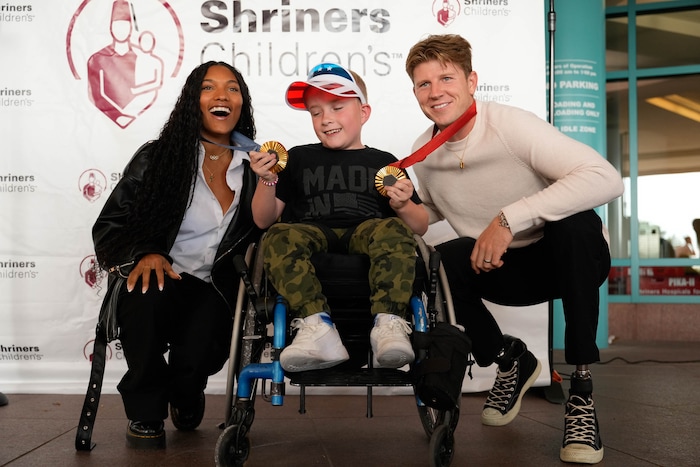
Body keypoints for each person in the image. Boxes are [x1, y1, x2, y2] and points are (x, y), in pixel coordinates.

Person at [404, 34, 624, 464]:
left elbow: (605, 178)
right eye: (423, 84)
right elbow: (431, 211)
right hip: (504, 270)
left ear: (472, 80)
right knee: (441, 259)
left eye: (446, 78)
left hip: (567, 258)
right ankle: (511, 359)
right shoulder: (422, 151)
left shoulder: (509, 124)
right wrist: (402, 204)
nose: (435, 92)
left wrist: (508, 219)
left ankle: (580, 392)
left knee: (575, 225)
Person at [92, 61, 261, 449]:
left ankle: (187, 392)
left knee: (200, 353)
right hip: (163, 276)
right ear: (192, 101)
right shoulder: (158, 157)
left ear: (242, 103)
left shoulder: (254, 167)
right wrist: (144, 253)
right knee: (146, 293)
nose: (221, 95)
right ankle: (146, 411)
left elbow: (270, 230)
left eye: (232, 88)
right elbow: (110, 227)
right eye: (208, 88)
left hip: (216, 288)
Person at [250, 63, 429, 372]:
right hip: (311, 232)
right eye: (315, 112)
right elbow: (264, 220)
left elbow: (420, 225)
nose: (326, 119)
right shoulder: (298, 158)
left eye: (337, 106)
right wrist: (267, 179)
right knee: (277, 236)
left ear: (364, 112)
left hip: (366, 232)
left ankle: (389, 324)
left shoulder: (384, 162)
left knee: (393, 229)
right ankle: (317, 329)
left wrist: (402, 205)